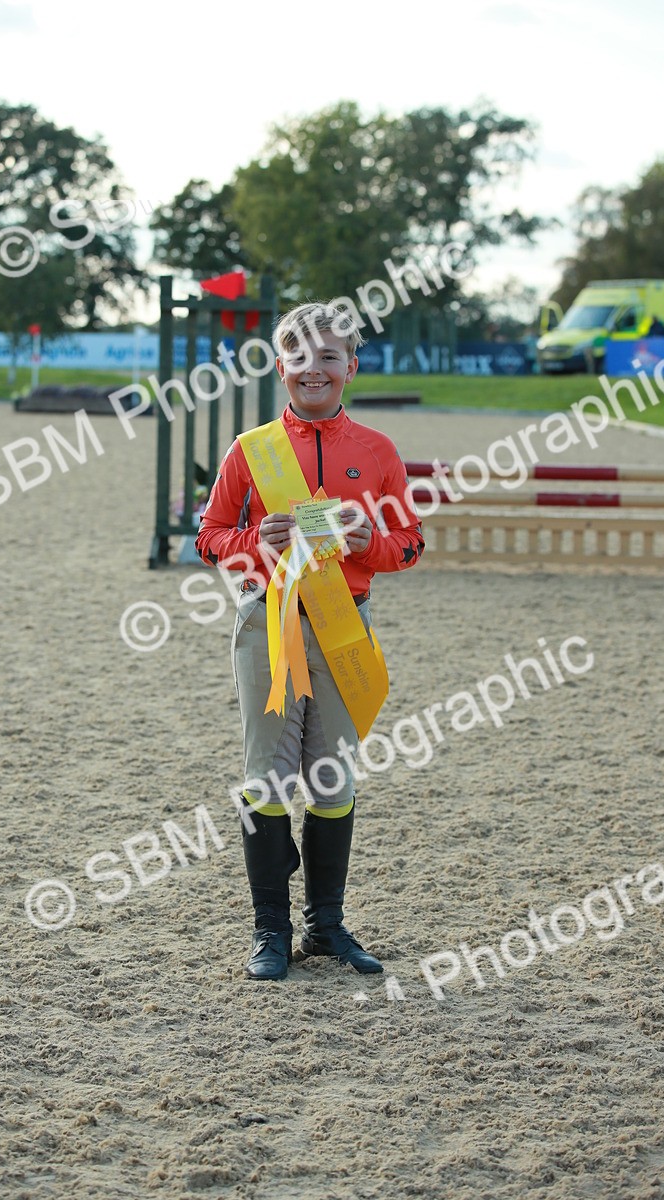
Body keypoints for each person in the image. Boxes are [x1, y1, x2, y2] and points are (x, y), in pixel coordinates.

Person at [195, 302, 425, 981]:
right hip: (268, 623)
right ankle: (271, 931)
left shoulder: (378, 452)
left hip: (346, 624)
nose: (313, 369)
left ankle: (327, 927)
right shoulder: (250, 449)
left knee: (332, 779)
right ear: (279, 367)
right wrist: (249, 541)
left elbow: (410, 544)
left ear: (351, 366)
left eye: (329, 357)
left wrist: (370, 543)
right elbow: (209, 539)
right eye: (299, 357)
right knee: (266, 778)